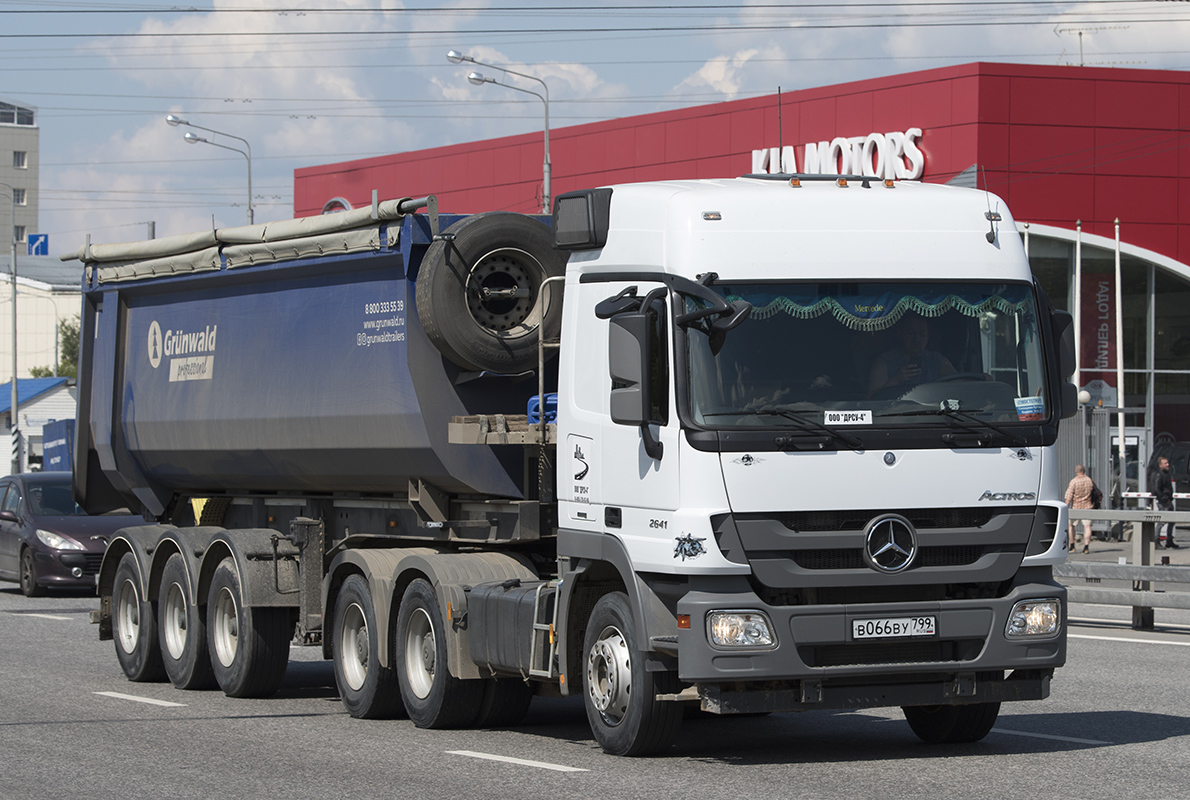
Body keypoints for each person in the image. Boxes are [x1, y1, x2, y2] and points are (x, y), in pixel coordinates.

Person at [867, 315, 956, 397]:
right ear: (900, 334)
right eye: (911, 333)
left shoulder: (937, 360)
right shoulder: (883, 362)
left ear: (928, 337)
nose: (917, 338)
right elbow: (872, 399)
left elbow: (959, 385)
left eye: (922, 333)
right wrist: (896, 379)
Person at [1065, 464, 1094, 554]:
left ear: (1076, 471)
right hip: (1087, 507)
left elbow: (1069, 497)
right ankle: (1086, 547)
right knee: (1087, 526)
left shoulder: (1074, 482)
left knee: (1071, 526)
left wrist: (1065, 507)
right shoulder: (1089, 481)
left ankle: (1072, 545)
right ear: (1084, 471)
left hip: (1076, 507)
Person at [1153, 456, 1179, 549]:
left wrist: (1170, 498)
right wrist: (1164, 498)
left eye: (1168, 463)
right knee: (1161, 521)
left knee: (1172, 521)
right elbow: (1157, 489)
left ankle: (1169, 540)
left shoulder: (1167, 474)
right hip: (1163, 502)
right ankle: (1156, 541)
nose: (1168, 465)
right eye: (1165, 463)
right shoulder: (1159, 475)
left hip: (1168, 500)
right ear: (1160, 465)